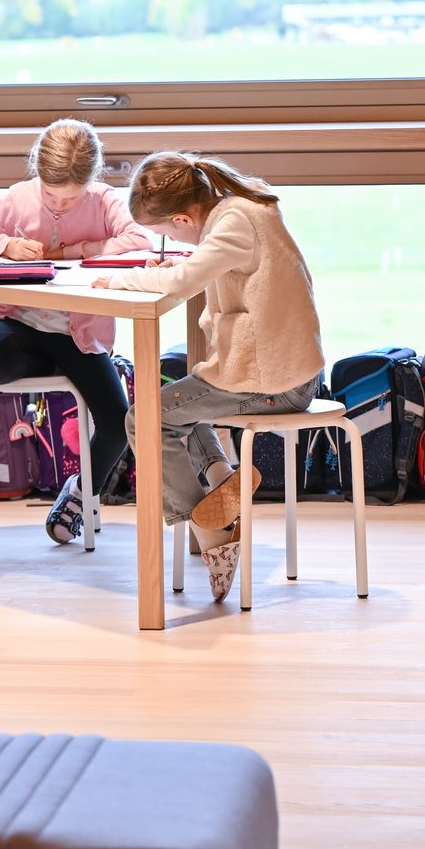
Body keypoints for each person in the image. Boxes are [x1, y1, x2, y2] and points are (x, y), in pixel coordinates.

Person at [91, 151, 325, 602]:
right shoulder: (242, 207)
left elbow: (182, 284)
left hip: (271, 382)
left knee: (147, 418)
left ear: (181, 217)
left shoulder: (234, 224)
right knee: (177, 406)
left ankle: (206, 525)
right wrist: (175, 268)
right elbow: (199, 269)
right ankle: (221, 483)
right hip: (281, 372)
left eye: (165, 234)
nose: (168, 241)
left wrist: (120, 282)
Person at [0, 118, 149, 543]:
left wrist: (73, 251)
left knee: (119, 421)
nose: (58, 204)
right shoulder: (18, 199)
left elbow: (139, 240)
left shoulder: (104, 200)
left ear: (90, 181)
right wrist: (4, 247)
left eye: (70, 198)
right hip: (22, 325)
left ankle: (80, 492)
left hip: (80, 337)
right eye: (51, 194)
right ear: (37, 170)